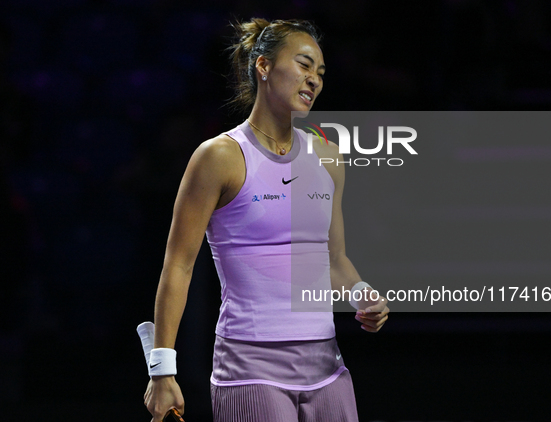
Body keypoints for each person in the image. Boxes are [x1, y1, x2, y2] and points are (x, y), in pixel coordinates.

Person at [143, 17, 390, 422]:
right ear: (263, 67)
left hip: (327, 369)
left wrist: (362, 293)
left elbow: (334, 260)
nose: (314, 79)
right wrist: (162, 370)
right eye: (304, 65)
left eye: (321, 73)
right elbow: (179, 265)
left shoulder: (328, 157)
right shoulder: (218, 157)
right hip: (250, 372)